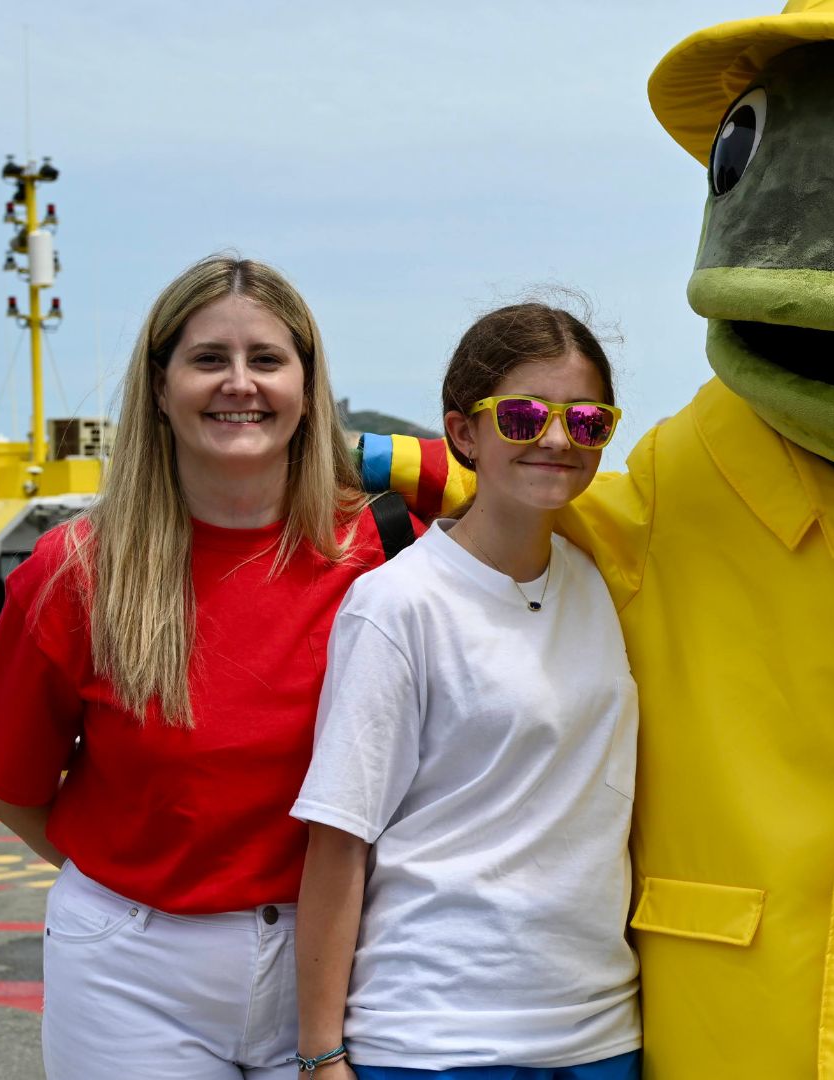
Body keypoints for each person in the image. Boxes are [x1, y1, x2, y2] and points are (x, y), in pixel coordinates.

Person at [0, 255, 407, 1079]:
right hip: (132, 975)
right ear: (160, 387)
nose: (239, 383)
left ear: (307, 390)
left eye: (267, 360)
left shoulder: (385, 550)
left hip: (343, 965)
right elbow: (9, 781)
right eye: (209, 359)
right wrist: (131, 885)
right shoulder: (77, 573)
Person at [292, 303, 640, 1080]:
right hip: (436, 1037)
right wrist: (321, 1055)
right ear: (463, 433)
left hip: (599, 1032)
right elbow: (339, 839)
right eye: (521, 416)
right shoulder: (397, 605)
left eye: (586, 420)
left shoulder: (603, 587)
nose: (556, 438)